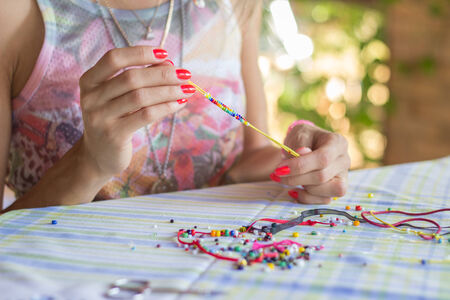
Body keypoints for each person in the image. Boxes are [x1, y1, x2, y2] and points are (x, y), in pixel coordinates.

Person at [0, 0, 350, 213]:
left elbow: (244, 163)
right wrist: (90, 164)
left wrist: (302, 158)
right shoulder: (14, 16)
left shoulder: (236, 5)